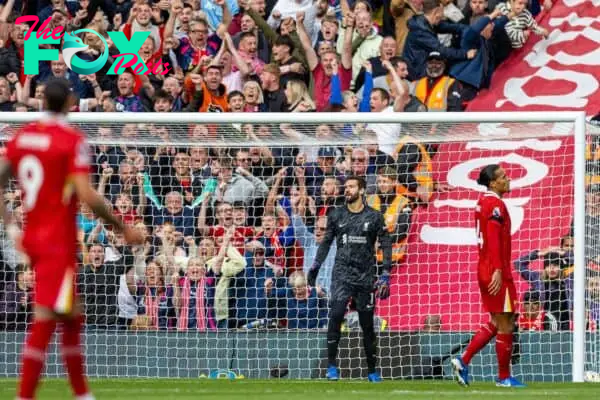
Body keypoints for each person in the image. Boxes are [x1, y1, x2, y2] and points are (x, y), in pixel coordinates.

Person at [0, 78, 144, 400]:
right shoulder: (70, 140)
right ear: (68, 103)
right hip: (57, 241)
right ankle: (25, 396)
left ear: (41, 102)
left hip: (34, 239)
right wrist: (122, 229)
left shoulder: (23, 138)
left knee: (70, 313)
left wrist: (12, 228)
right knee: (46, 316)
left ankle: (82, 394)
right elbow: (86, 195)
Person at [308, 175, 392, 382]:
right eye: (345, 187)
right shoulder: (336, 215)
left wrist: (386, 272)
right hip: (342, 274)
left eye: (351, 187)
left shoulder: (374, 217)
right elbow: (326, 243)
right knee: (336, 315)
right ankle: (331, 367)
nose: (347, 190)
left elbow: (386, 243)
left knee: (367, 324)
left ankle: (372, 370)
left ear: (362, 190)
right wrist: (315, 267)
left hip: (365, 276)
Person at [451, 164, 525, 388]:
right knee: (505, 324)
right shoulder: (494, 204)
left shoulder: (484, 202)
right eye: (503, 176)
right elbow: (492, 237)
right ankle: (503, 377)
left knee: (501, 320)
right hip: (495, 270)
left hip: (488, 267)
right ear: (493, 183)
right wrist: (498, 270)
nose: (508, 178)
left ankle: (463, 361)